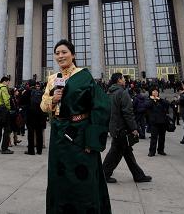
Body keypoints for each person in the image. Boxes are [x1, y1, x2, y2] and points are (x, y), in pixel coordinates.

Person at [41, 39, 111, 213]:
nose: (60, 56)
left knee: (82, 180)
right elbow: (43, 106)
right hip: (58, 135)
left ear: (73, 55)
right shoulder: (52, 79)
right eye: (57, 53)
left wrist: (92, 140)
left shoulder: (83, 76)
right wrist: (53, 99)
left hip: (79, 135)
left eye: (64, 52)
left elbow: (101, 106)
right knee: (60, 179)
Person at [102, 73, 152, 184]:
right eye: (123, 78)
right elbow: (128, 113)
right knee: (115, 153)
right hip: (122, 128)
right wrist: (134, 128)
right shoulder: (122, 93)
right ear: (119, 80)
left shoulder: (109, 93)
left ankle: (138, 175)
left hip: (115, 127)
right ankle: (104, 174)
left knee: (127, 152)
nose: (125, 80)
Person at [146, 87, 170, 157]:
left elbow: (167, 104)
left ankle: (161, 150)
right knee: (154, 137)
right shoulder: (149, 100)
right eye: (154, 91)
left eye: (157, 91)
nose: (156, 92)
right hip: (154, 122)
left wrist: (159, 99)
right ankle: (152, 151)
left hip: (163, 121)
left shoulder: (161, 100)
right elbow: (147, 106)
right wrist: (152, 99)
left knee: (162, 137)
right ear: (151, 92)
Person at [0, 76, 13, 154]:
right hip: (3, 110)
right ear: (5, 81)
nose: (8, 84)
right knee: (7, 130)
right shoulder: (3, 88)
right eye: (8, 82)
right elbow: (6, 100)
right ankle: (4, 148)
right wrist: (8, 108)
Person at [26, 82, 46, 155]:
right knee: (39, 133)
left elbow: (22, 101)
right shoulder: (43, 93)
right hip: (40, 115)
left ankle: (31, 151)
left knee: (31, 133)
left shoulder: (29, 92)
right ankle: (39, 150)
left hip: (31, 114)